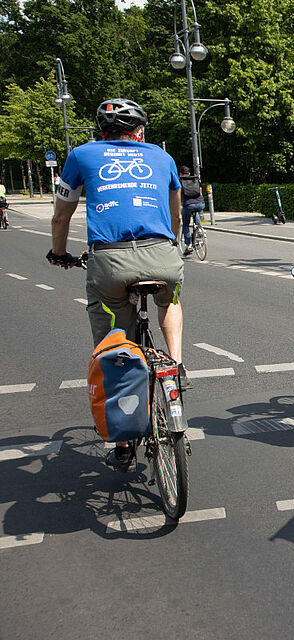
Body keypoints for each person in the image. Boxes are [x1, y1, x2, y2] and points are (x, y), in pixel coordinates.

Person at [47, 98, 189, 471]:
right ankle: (175, 363)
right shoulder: (162, 157)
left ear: (101, 130)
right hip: (162, 254)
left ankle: (124, 443)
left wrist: (59, 254)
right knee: (169, 300)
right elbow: (175, 213)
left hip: (108, 260)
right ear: (140, 132)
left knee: (115, 343)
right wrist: (170, 245)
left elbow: (61, 216)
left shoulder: (80, 155)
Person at [178, 165, 204, 256]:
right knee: (196, 210)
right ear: (189, 173)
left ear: (180, 174)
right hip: (200, 203)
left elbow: (179, 196)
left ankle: (188, 245)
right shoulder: (195, 179)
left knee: (185, 225)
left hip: (188, 205)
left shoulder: (181, 181)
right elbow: (200, 191)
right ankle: (199, 229)